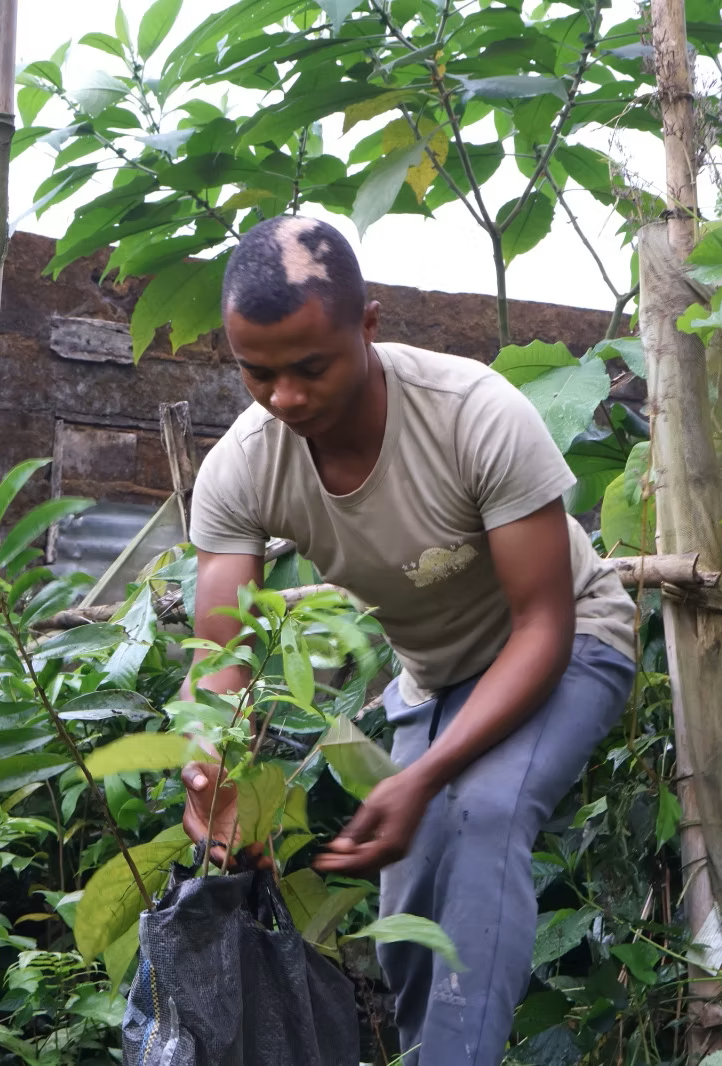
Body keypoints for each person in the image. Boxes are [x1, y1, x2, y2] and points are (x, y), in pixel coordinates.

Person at [182, 215, 636, 1066]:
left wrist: (424, 773)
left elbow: (544, 624)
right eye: (257, 372)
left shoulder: (475, 414)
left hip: (571, 644)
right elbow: (220, 658)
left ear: (369, 325)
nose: (283, 397)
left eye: (309, 367)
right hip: (433, 678)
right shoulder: (242, 466)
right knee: (410, 903)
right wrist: (210, 768)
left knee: (482, 811)